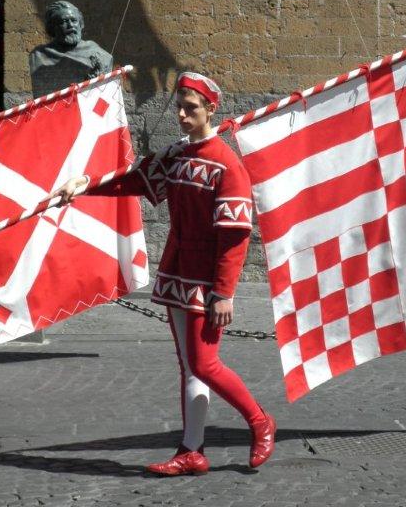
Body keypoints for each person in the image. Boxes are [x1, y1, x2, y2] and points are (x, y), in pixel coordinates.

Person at [50, 72, 276, 475]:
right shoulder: (175, 155)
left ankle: (259, 421)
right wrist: (84, 184)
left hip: (207, 282)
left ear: (211, 109)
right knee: (189, 366)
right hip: (176, 273)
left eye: (191, 108)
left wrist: (224, 292)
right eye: (180, 108)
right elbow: (131, 180)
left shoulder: (227, 165)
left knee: (205, 364)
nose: (183, 115)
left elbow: (235, 238)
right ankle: (192, 450)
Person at [29, 0, 113, 98]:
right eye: (64, 21)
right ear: (52, 28)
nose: (70, 25)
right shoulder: (38, 55)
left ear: (81, 24)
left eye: (74, 20)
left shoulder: (100, 55)